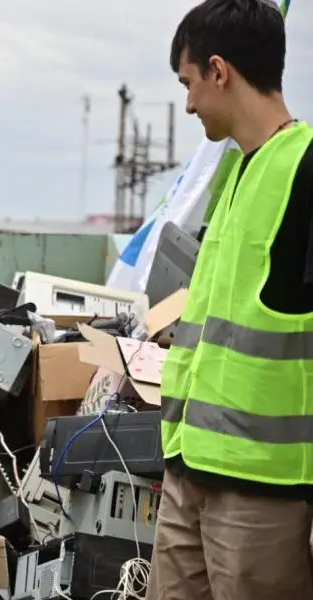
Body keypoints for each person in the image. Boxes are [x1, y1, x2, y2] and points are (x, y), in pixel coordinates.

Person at [148, 1, 313, 599]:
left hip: (260, 493)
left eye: (188, 83)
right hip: (190, 469)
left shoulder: (303, 169)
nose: (188, 104)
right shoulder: (239, 174)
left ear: (220, 71)